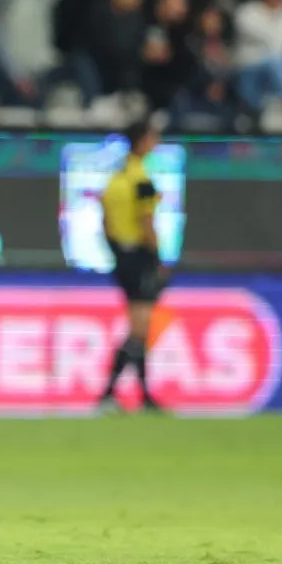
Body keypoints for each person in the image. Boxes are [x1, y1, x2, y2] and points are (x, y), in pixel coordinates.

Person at [97, 120, 167, 413]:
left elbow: (104, 221)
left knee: (138, 328)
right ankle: (112, 394)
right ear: (141, 141)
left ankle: (139, 394)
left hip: (120, 256)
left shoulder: (115, 179)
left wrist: (115, 251)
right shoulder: (142, 181)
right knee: (140, 328)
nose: (156, 143)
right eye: (153, 137)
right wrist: (157, 258)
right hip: (139, 257)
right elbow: (146, 223)